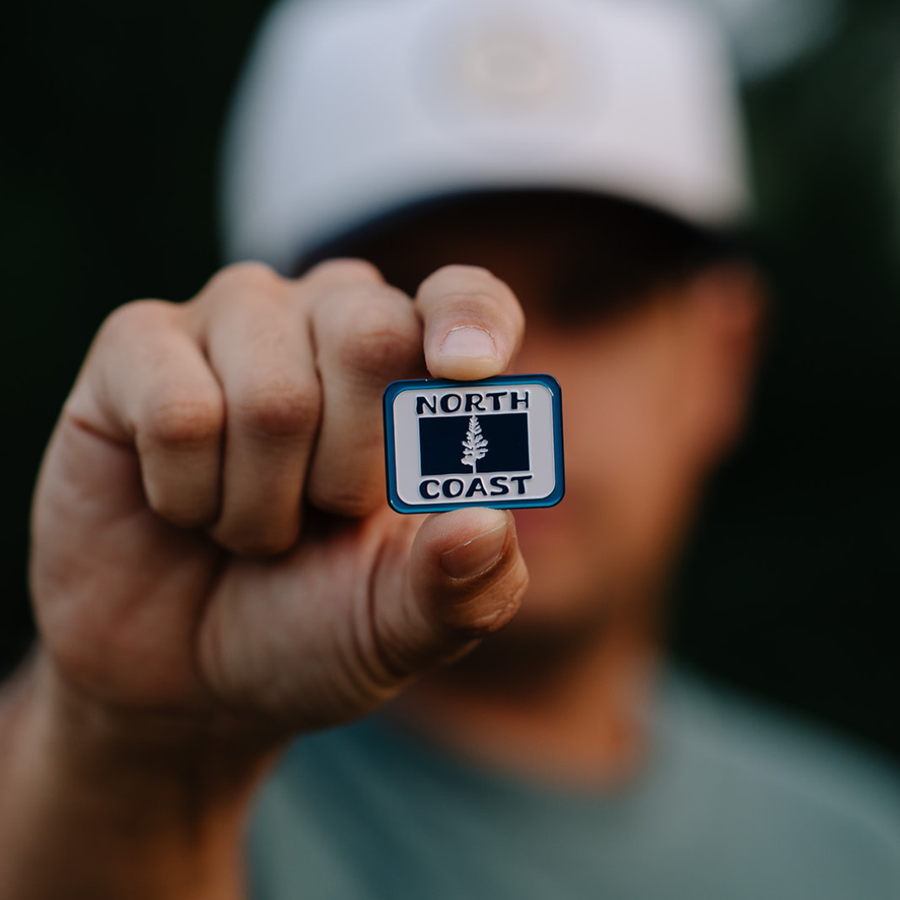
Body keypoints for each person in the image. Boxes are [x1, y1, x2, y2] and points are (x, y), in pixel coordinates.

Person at [0, 0, 897, 897]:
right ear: (259, 361)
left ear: (719, 360)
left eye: (594, 298)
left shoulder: (866, 854)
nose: (500, 374)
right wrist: (128, 757)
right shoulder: (103, 789)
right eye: (400, 303)